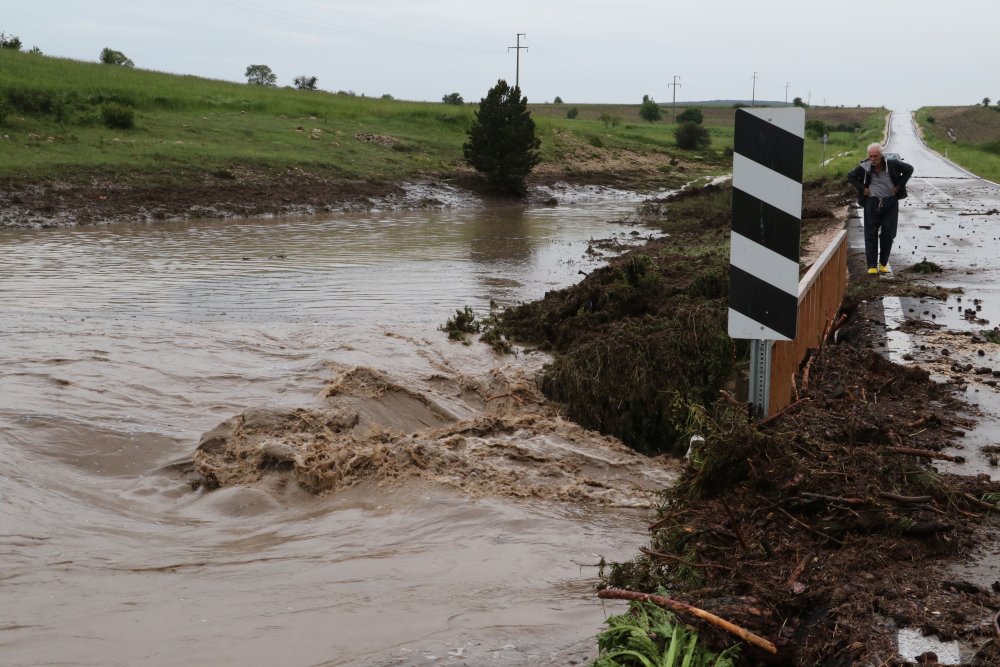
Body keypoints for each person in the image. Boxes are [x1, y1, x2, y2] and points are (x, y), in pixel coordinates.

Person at [848, 143, 914, 274]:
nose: (873, 159)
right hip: (871, 203)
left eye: (875, 156)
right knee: (870, 234)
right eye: (870, 156)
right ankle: (871, 266)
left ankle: (883, 263)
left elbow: (909, 169)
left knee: (888, 235)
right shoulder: (864, 166)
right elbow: (851, 176)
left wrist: (899, 186)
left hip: (890, 203)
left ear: (881, 155)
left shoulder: (893, 164)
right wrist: (863, 189)